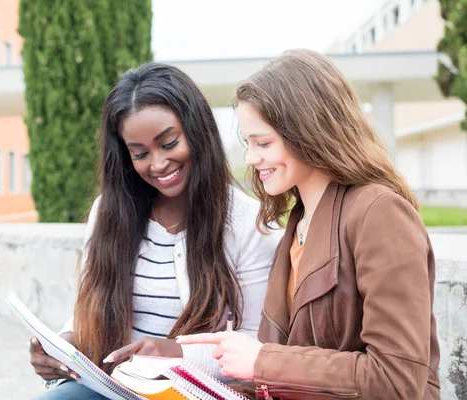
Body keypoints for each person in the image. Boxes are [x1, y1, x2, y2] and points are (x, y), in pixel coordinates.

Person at [177, 49, 441, 399]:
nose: (252, 158)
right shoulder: (298, 221)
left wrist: (262, 361)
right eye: (248, 143)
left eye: (263, 142)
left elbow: (394, 379)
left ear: (307, 132)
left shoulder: (379, 212)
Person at [28, 62, 279, 399]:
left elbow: (256, 342)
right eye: (141, 153)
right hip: (115, 385)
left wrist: (176, 352)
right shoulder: (108, 212)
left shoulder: (248, 222)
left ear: (196, 131)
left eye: (169, 143)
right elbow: (86, 312)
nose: (158, 164)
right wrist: (64, 346)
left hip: (192, 390)